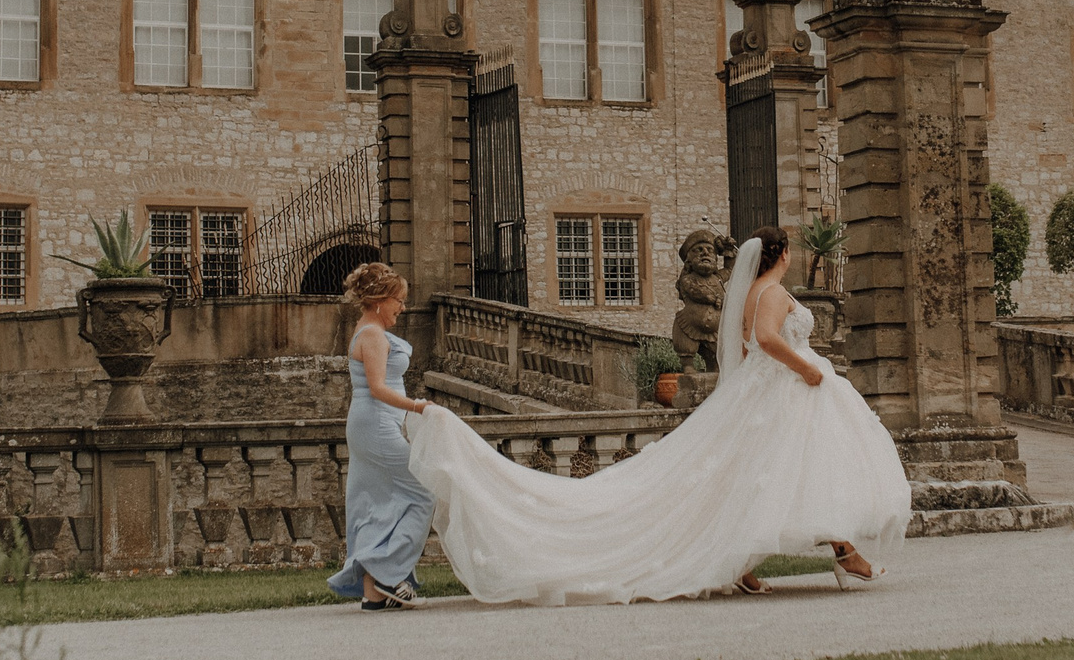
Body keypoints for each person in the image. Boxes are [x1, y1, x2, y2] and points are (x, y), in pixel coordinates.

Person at [404, 225, 910, 604]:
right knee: (791, 470)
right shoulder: (774, 291)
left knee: (759, 474)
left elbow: (738, 339)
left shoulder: (750, 293)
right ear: (781, 254)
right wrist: (807, 369)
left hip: (764, 390)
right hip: (787, 387)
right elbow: (767, 339)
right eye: (791, 250)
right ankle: (842, 553)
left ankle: (763, 561)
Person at [325, 262, 432, 612]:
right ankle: (387, 575)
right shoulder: (371, 334)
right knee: (423, 493)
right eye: (398, 300)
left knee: (379, 505)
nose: (402, 307)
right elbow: (378, 388)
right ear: (378, 301)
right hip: (376, 425)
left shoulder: (370, 329)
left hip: (377, 424)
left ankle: (374, 593)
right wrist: (417, 406)